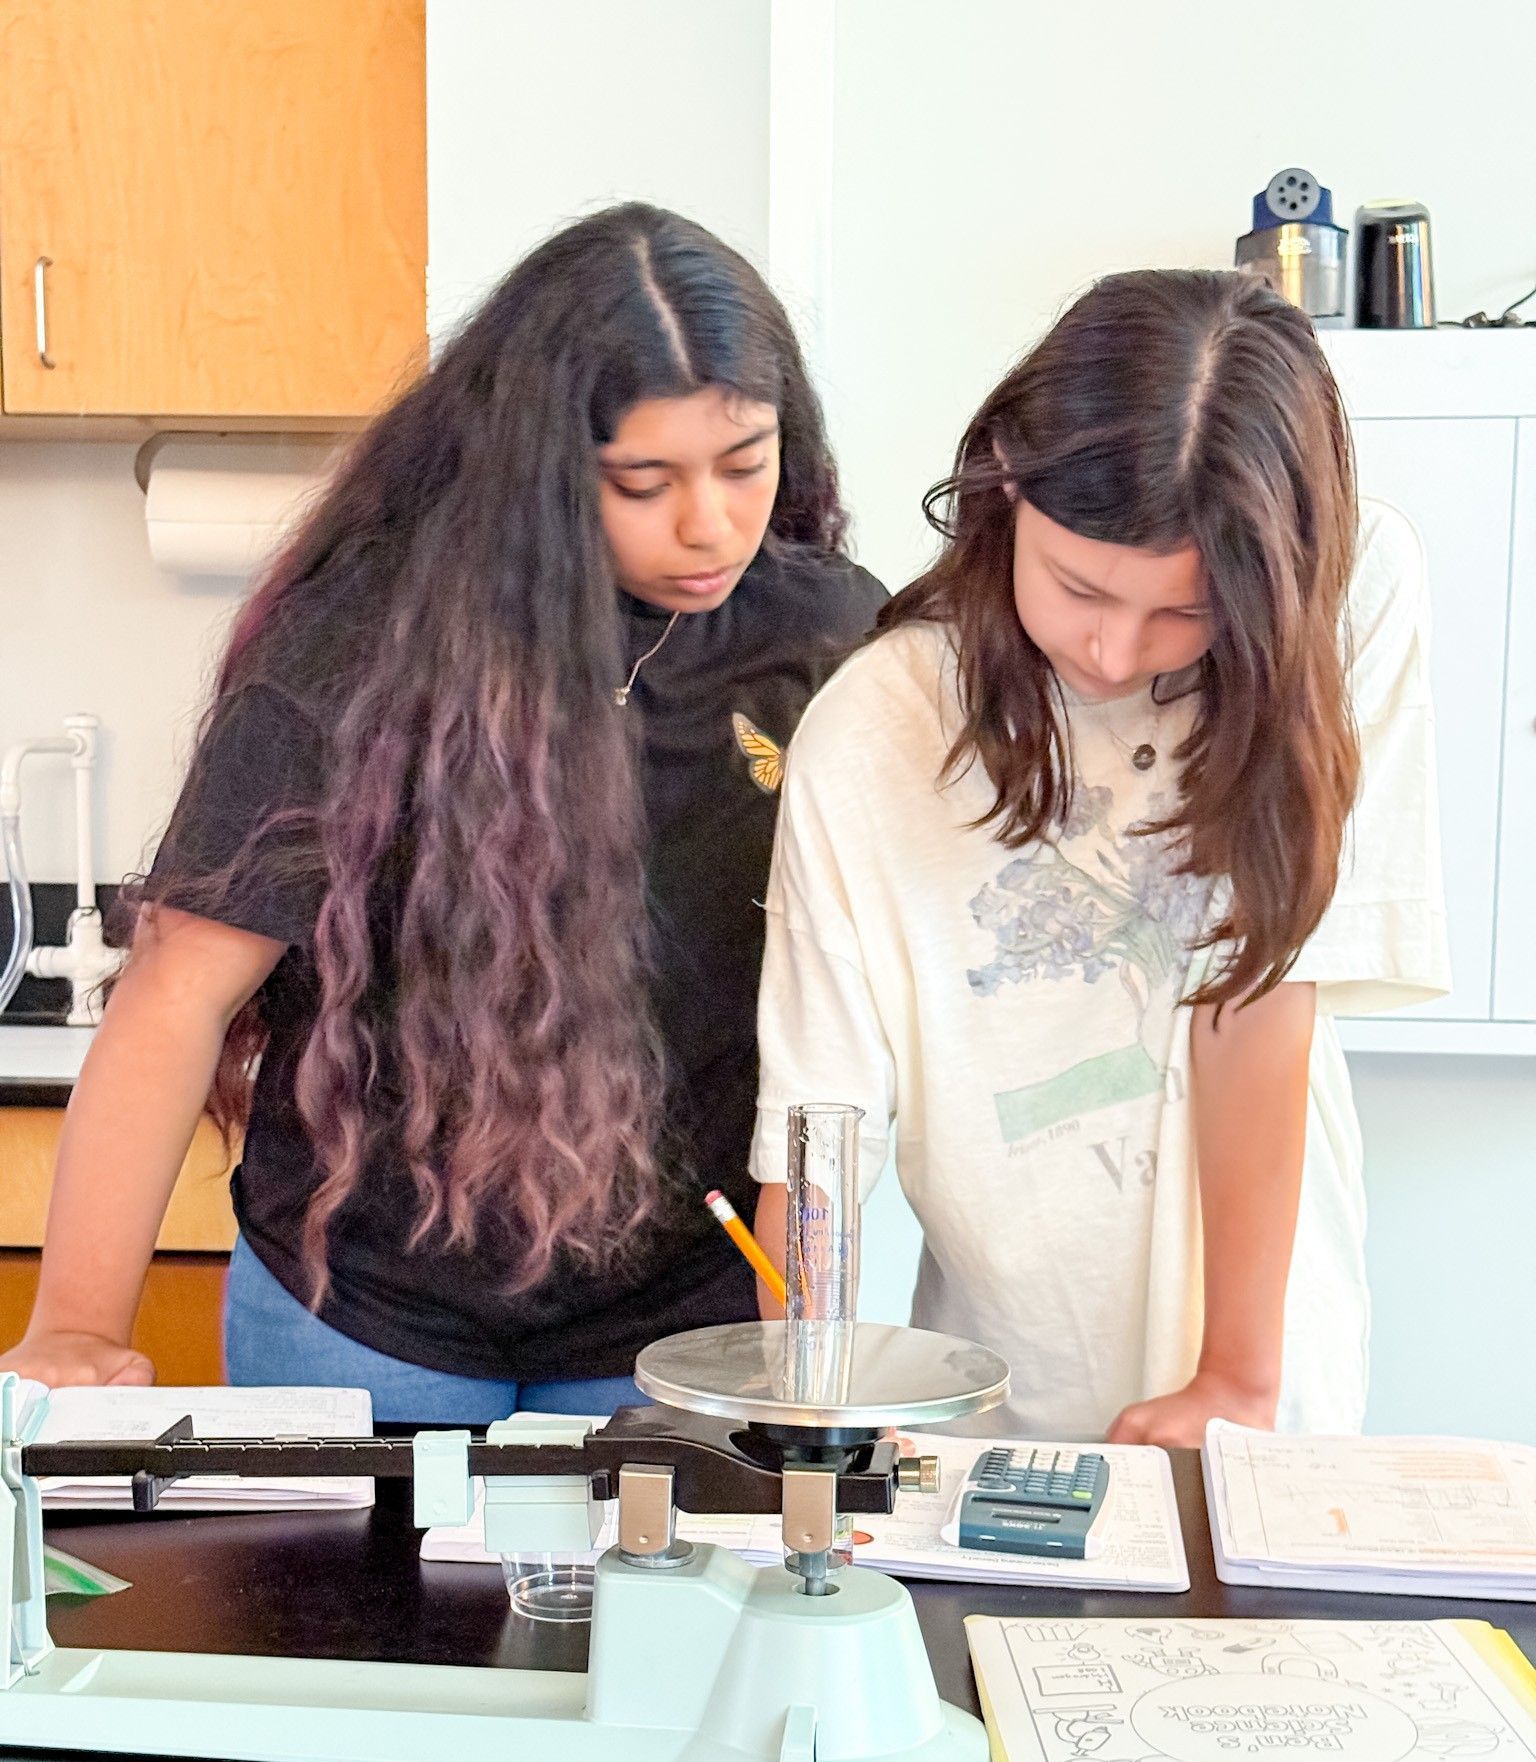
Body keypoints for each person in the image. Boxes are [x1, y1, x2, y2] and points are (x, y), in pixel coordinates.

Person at [5, 203, 884, 1421]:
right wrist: (79, 1327)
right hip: (364, 1314)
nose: (712, 524)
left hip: (681, 1328)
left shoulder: (828, 641)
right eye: (645, 481)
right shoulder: (360, 646)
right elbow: (178, 992)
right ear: (539, 474)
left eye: (746, 463)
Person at [751, 269, 1447, 1447]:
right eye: (1078, 587)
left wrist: (1235, 1376)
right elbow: (821, 1119)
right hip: (989, 1392)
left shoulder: (1349, 590)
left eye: (1184, 614)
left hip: (1268, 1374)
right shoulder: (882, 719)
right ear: (1007, 485)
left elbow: (1258, 982)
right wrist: (804, 1405)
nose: (1116, 654)